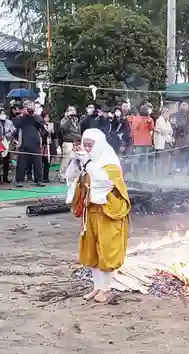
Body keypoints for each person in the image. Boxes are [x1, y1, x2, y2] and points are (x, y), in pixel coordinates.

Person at [65, 128, 130, 303]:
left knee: (106, 250)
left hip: (108, 212)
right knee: (91, 250)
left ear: (99, 145)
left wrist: (87, 163)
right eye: (84, 145)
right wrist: (75, 162)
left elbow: (103, 182)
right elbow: (70, 178)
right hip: (90, 211)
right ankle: (97, 287)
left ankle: (107, 290)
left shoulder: (110, 163)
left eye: (90, 145)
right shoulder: (88, 161)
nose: (86, 148)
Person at [13, 100, 47, 187]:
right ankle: (20, 180)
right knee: (21, 163)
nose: (30, 110)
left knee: (37, 163)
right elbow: (16, 123)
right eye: (28, 108)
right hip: (23, 143)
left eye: (32, 108)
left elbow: (42, 124)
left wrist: (33, 115)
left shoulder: (36, 117)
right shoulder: (20, 118)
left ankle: (38, 180)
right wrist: (23, 114)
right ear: (24, 108)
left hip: (35, 143)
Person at [59, 106, 81, 182]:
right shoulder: (64, 120)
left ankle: (73, 175)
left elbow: (78, 130)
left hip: (77, 142)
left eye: (74, 110)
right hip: (68, 142)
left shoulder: (77, 120)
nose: (72, 112)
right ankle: (62, 175)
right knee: (66, 159)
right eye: (71, 110)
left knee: (76, 159)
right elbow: (63, 128)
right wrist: (68, 118)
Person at [153, 108, 175, 174]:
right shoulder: (159, 120)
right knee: (159, 159)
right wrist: (167, 131)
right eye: (166, 113)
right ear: (163, 113)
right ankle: (158, 173)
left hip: (167, 142)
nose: (167, 115)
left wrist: (168, 132)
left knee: (166, 159)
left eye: (168, 113)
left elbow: (171, 131)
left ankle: (165, 172)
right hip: (161, 142)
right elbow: (161, 130)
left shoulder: (167, 122)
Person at [41, 112, 57, 183]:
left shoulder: (51, 125)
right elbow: (42, 135)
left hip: (49, 145)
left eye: (48, 117)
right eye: (45, 117)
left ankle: (46, 177)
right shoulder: (40, 125)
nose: (47, 118)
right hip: (42, 145)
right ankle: (39, 177)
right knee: (41, 162)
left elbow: (54, 137)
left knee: (48, 162)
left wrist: (53, 132)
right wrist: (47, 131)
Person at [0, 108, 15, 183]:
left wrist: (6, 136)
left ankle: (5, 178)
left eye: (4, 113)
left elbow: (13, 131)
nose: (3, 115)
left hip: (7, 143)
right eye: (1, 113)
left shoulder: (9, 122)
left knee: (6, 161)